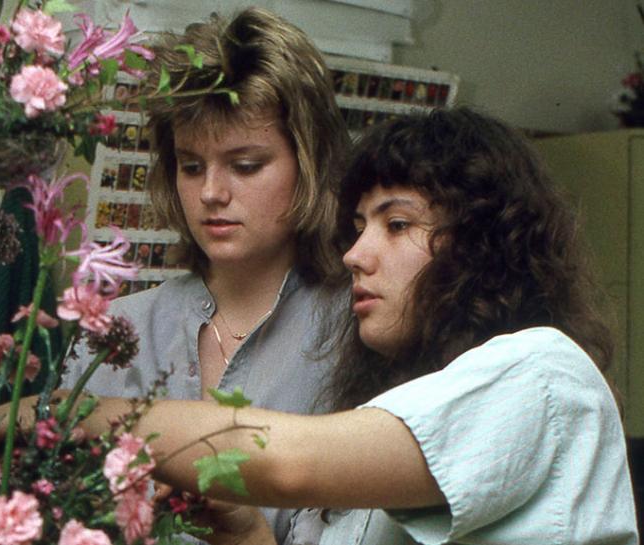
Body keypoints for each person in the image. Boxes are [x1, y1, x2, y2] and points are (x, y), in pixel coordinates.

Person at [73, 108, 639, 544]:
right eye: (359, 227)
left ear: (483, 243)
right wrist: (244, 529)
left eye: (396, 224)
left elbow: (285, 465)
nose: (355, 255)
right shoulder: (396, 415)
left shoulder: (542, 373)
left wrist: (63, 413)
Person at [60, 7, 351, 542]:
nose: (212, 193)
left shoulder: (358, 331)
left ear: (310, 162)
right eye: (191, 165)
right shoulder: (113, 330)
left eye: (245, 165)